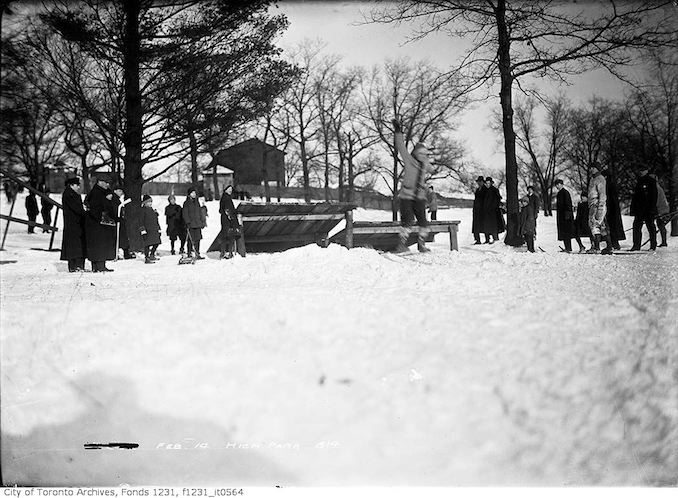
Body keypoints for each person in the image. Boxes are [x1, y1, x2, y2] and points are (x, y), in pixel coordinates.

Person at [392, 118, 432, 253]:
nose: (423, 156)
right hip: (407, 196)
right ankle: (401, 244)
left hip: (420, 197)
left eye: (425, 154)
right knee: (407, 220)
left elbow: (426, 173)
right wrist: (398, 131)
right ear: (416, 153)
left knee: (423, 222)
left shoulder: (425, 164)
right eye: (421, 154)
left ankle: (421, 244)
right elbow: (401, 146)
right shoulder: (410, 161)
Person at [84, 175, 117, 272]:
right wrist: (107, 200)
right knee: (100, 244)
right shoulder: (97, 193)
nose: (108, 184)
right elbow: (97, 208)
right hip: (98, 224)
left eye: (108, 183)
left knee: (98, 244)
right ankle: (100, 266)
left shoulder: (98, 192)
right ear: (99, 182)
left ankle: (97, 266)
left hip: (95, 223)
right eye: (106, 182)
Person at [60, 177, 86, 272]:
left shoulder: (70, 194)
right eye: (77, 185)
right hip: (74, 224)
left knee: (75, 245)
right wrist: (86, 213)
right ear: (71, 185)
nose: (78, 187)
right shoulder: (70, 195)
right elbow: (77, 209)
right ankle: (75, 266)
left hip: (73, 224)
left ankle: (75, 265)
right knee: (75, 245)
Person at [587, 162, 614, 254]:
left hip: (597, 204)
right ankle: (609, 246)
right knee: (601, 226)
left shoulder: (600, 179)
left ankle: (597, 247)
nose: (591, 169)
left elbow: (602, 194)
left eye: (593, 168)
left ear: (597, 169)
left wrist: (600, 207)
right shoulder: (592, 179)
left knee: (594, 225)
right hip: (592, 204)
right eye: (591, 168)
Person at [629, 167, 658, 251]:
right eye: (640, 170)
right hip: (639, 209)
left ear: (647, 171)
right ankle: (636, 245)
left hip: (648, 209)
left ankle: (653, 245)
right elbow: (635, 197)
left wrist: (652, 208)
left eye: (643, 170)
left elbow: (654, 196)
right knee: (636, 227)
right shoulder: (638, 181)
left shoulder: (651, 181)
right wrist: (633, 208)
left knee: (650, 227)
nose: (641, 172)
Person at [601, 169, 625, 250]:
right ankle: (614, 244)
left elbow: (611, 199)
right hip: (612, 210)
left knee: (612, 227)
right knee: (611, 227)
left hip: (611, 210)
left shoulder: (608, 185)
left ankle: (614, 244)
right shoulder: (608, 185)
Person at [216, 184, 241, 259]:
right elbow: (227, 210)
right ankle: (227, 252)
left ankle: (225, 252)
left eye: (231, 189)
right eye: (229, 189)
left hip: (225, 219)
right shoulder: (226, 198)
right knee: (228, 236)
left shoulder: (226, 197)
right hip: (227, 220)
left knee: (226, 235)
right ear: (225, 190)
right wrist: (232, 219)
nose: (230, 190)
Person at [112, 185, 134, 259]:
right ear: (115, 191)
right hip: (117, 221)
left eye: (121, 191)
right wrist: (117, 217)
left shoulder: (117, 199)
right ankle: (123, 253)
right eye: (119, 191)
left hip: (120, 220)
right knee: (121, 237)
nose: (121, 193)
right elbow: (115, 209)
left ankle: (125, 253)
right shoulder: (114, 199)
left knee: (123, 237)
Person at [183, 187, 205, 259]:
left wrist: (202, 221)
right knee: (190, 239)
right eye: (192, 193)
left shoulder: (197, 202)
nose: (194, 194)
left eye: (195, 193)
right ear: (189, 194)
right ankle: (189, 253)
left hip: (197, 223)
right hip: (191, 224)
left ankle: (197, 253)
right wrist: (187, 222)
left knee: (198, 239)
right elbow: (185, 213)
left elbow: (200, 212)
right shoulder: (186, 203)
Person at [554, 179, 576, 252]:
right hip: (561, 216)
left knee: (567, 232)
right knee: (563, 231)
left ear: (561, 184)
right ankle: (566, 247)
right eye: (556, 185)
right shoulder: (560, 193)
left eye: (558, 184)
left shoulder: (565, 192)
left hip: (566, 216)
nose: (557, 186)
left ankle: (569, 248)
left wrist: (567, 214)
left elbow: (568, 204)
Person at [140, 194, 162, 264]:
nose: (150, 203)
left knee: (156, 243)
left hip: (154, 229)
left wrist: (159, 228)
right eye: (148, 202)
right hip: (147, 230)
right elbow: (141, 221)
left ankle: (152, 254)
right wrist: (143, 231)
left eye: (151, 202)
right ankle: (147, 257)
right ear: (145, 203)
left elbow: (156, 220)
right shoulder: (143, 211)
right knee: (147, 244)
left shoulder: (152, 210)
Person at [482, 177, 504, 244]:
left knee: (494, 225)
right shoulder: (484, 190)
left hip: (493, 211)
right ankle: (487, 239)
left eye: (489, 183)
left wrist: (493, 207)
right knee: (486, 225)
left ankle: (495, 238)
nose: (488, 184)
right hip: (486, 211)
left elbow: (497, 199)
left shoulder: (494, 190)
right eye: (486, 183)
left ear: (491, 183)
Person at [652, 174, 670, 247]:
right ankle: (663, 241)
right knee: (661, 225)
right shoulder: (658, 188)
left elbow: (657, 201)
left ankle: (664, 242)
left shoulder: (656, 189)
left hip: (661, 210)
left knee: (661, 225)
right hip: (663, 208)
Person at [472, 175, 486, 244]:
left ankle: (487, 238)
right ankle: (477, 239)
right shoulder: (477, 190)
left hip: (483, 210)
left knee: (485, 224)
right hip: (477, 210)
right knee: (476, 225)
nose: (479, 183)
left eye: (480, 182)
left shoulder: (485, 190)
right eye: (478, 182)